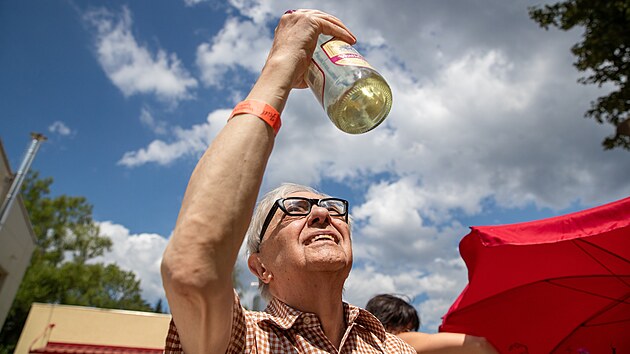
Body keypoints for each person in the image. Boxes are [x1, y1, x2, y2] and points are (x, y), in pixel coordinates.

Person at [161, 9, 417, 353]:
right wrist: (281, 64)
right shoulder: (244, 338)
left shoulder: (394, 349)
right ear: (260, 267)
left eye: (332, 207)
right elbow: (191, 268)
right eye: (295, 208)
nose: (322, 214)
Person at [366, 294, 499, 354]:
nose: (410, 334)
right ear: (389, 324)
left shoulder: (355, 344)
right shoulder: (396, 341)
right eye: (406, 329)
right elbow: (478, 344)